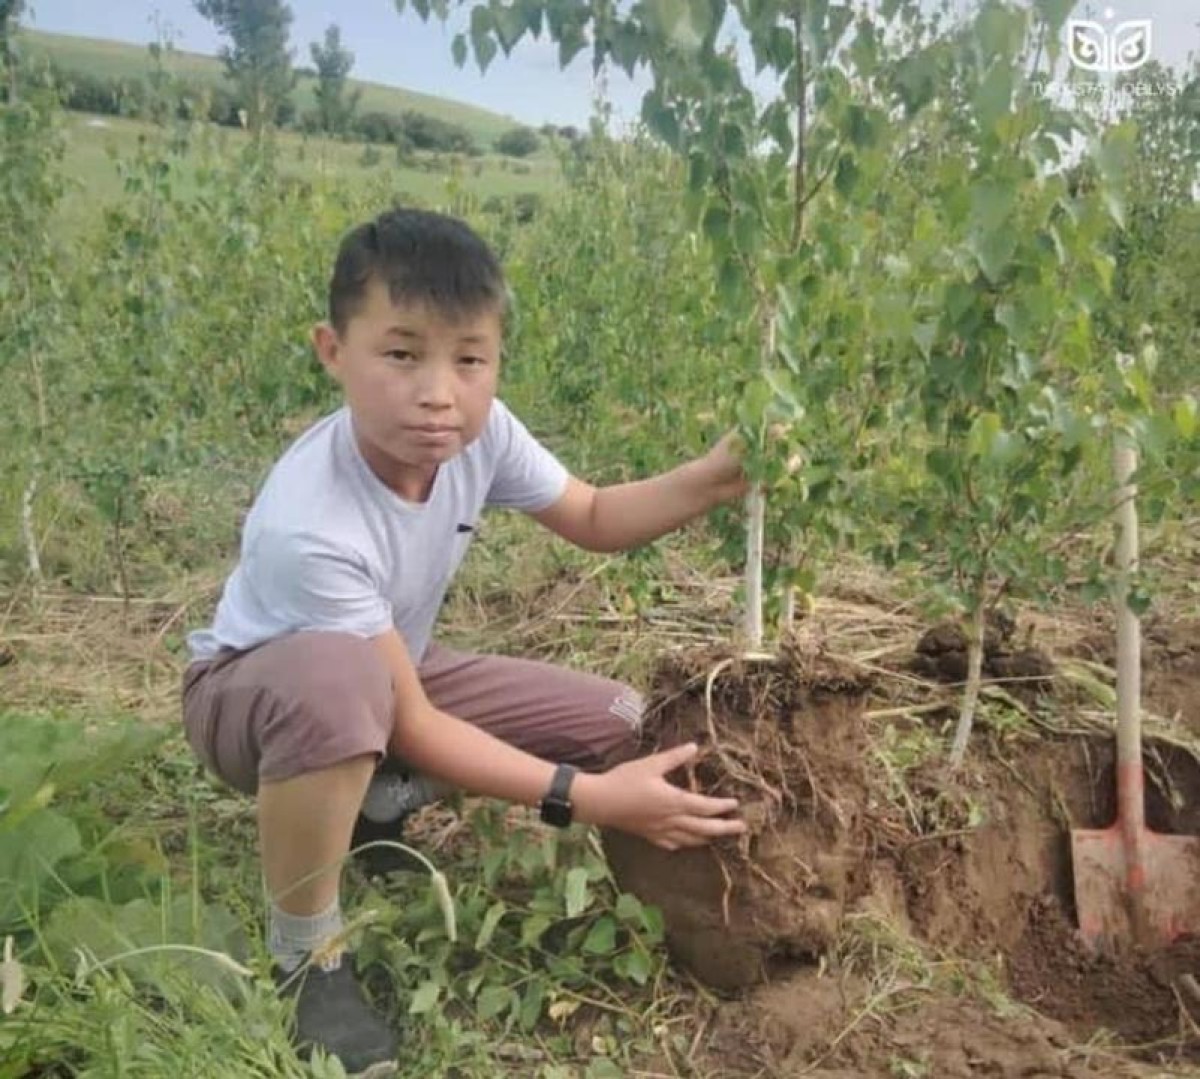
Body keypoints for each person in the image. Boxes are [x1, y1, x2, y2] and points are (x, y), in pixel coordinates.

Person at [181, 207, 749, 1072]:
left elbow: (593, 514)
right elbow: (407, 718)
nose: (439, 391)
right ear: (333, 350)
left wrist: (714, 478)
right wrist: (588, 798)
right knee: (344, 690)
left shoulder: (479, 436)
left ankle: (376, 808)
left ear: (494, 360)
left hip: (395, 668)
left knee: (623, 715)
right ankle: (305, 951)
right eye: (402, 354)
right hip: (257, 696)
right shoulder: (311, 522)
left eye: (469, 358)